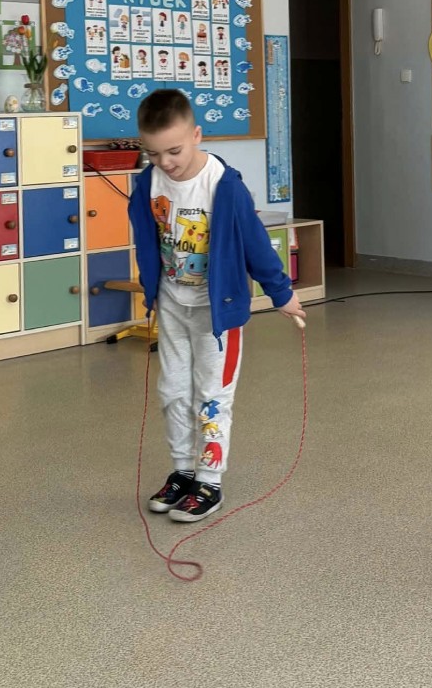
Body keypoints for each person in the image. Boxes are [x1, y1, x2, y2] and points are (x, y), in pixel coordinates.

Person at [130, 89, 306, 522]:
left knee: (212, 395)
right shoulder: (148, 183)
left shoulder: (223, 185)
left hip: (217, 312)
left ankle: (209, 480)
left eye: (174, 151)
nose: (165, 162)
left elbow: (255, 243)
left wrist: (281, 292)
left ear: (196, 135)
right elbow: (147, 237)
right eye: (153, 154)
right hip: (172, 302)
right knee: (173, 392)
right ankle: (183, 472)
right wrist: (151, 285)